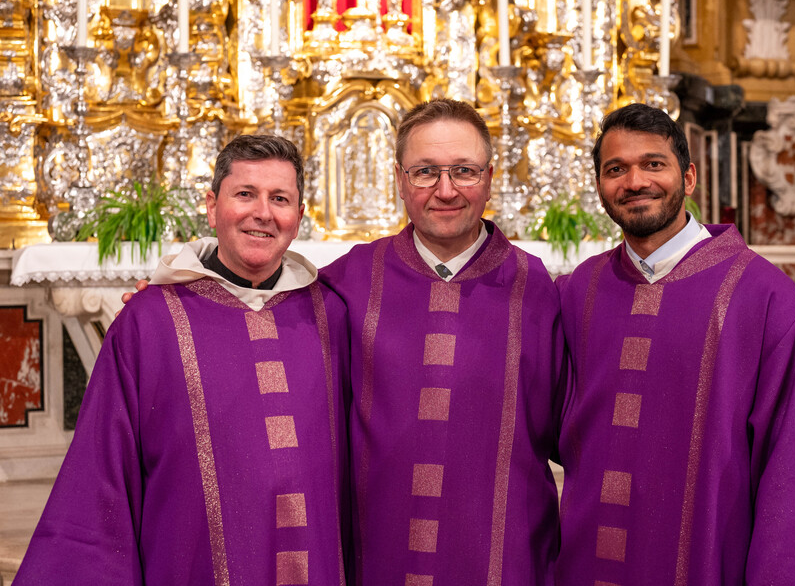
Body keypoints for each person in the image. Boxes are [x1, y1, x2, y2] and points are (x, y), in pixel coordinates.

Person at [555, 103, 795, 584]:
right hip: (591, 556)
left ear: (688, 178)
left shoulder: (762, 296)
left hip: (708, 556)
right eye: (615, 169)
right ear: (600, 186)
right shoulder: (581, 290)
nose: (635, 181)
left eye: (653, 164)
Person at [15, 135, 351, 585]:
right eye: (245, 194)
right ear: (212, 207)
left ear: (298, 217)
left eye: (280, 199)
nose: (263, 213)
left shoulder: (331, 314)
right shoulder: (148, 322)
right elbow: (101, 473)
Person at [318, 98, 565, 585]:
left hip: (503, 548)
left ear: (490, 177)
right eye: (425, 171)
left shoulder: (535, 287)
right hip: (380, 546)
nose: (446, 190)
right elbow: (258, 323)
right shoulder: (349, 280)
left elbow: (574, 421)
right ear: (399, 179)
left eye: (464, 171)